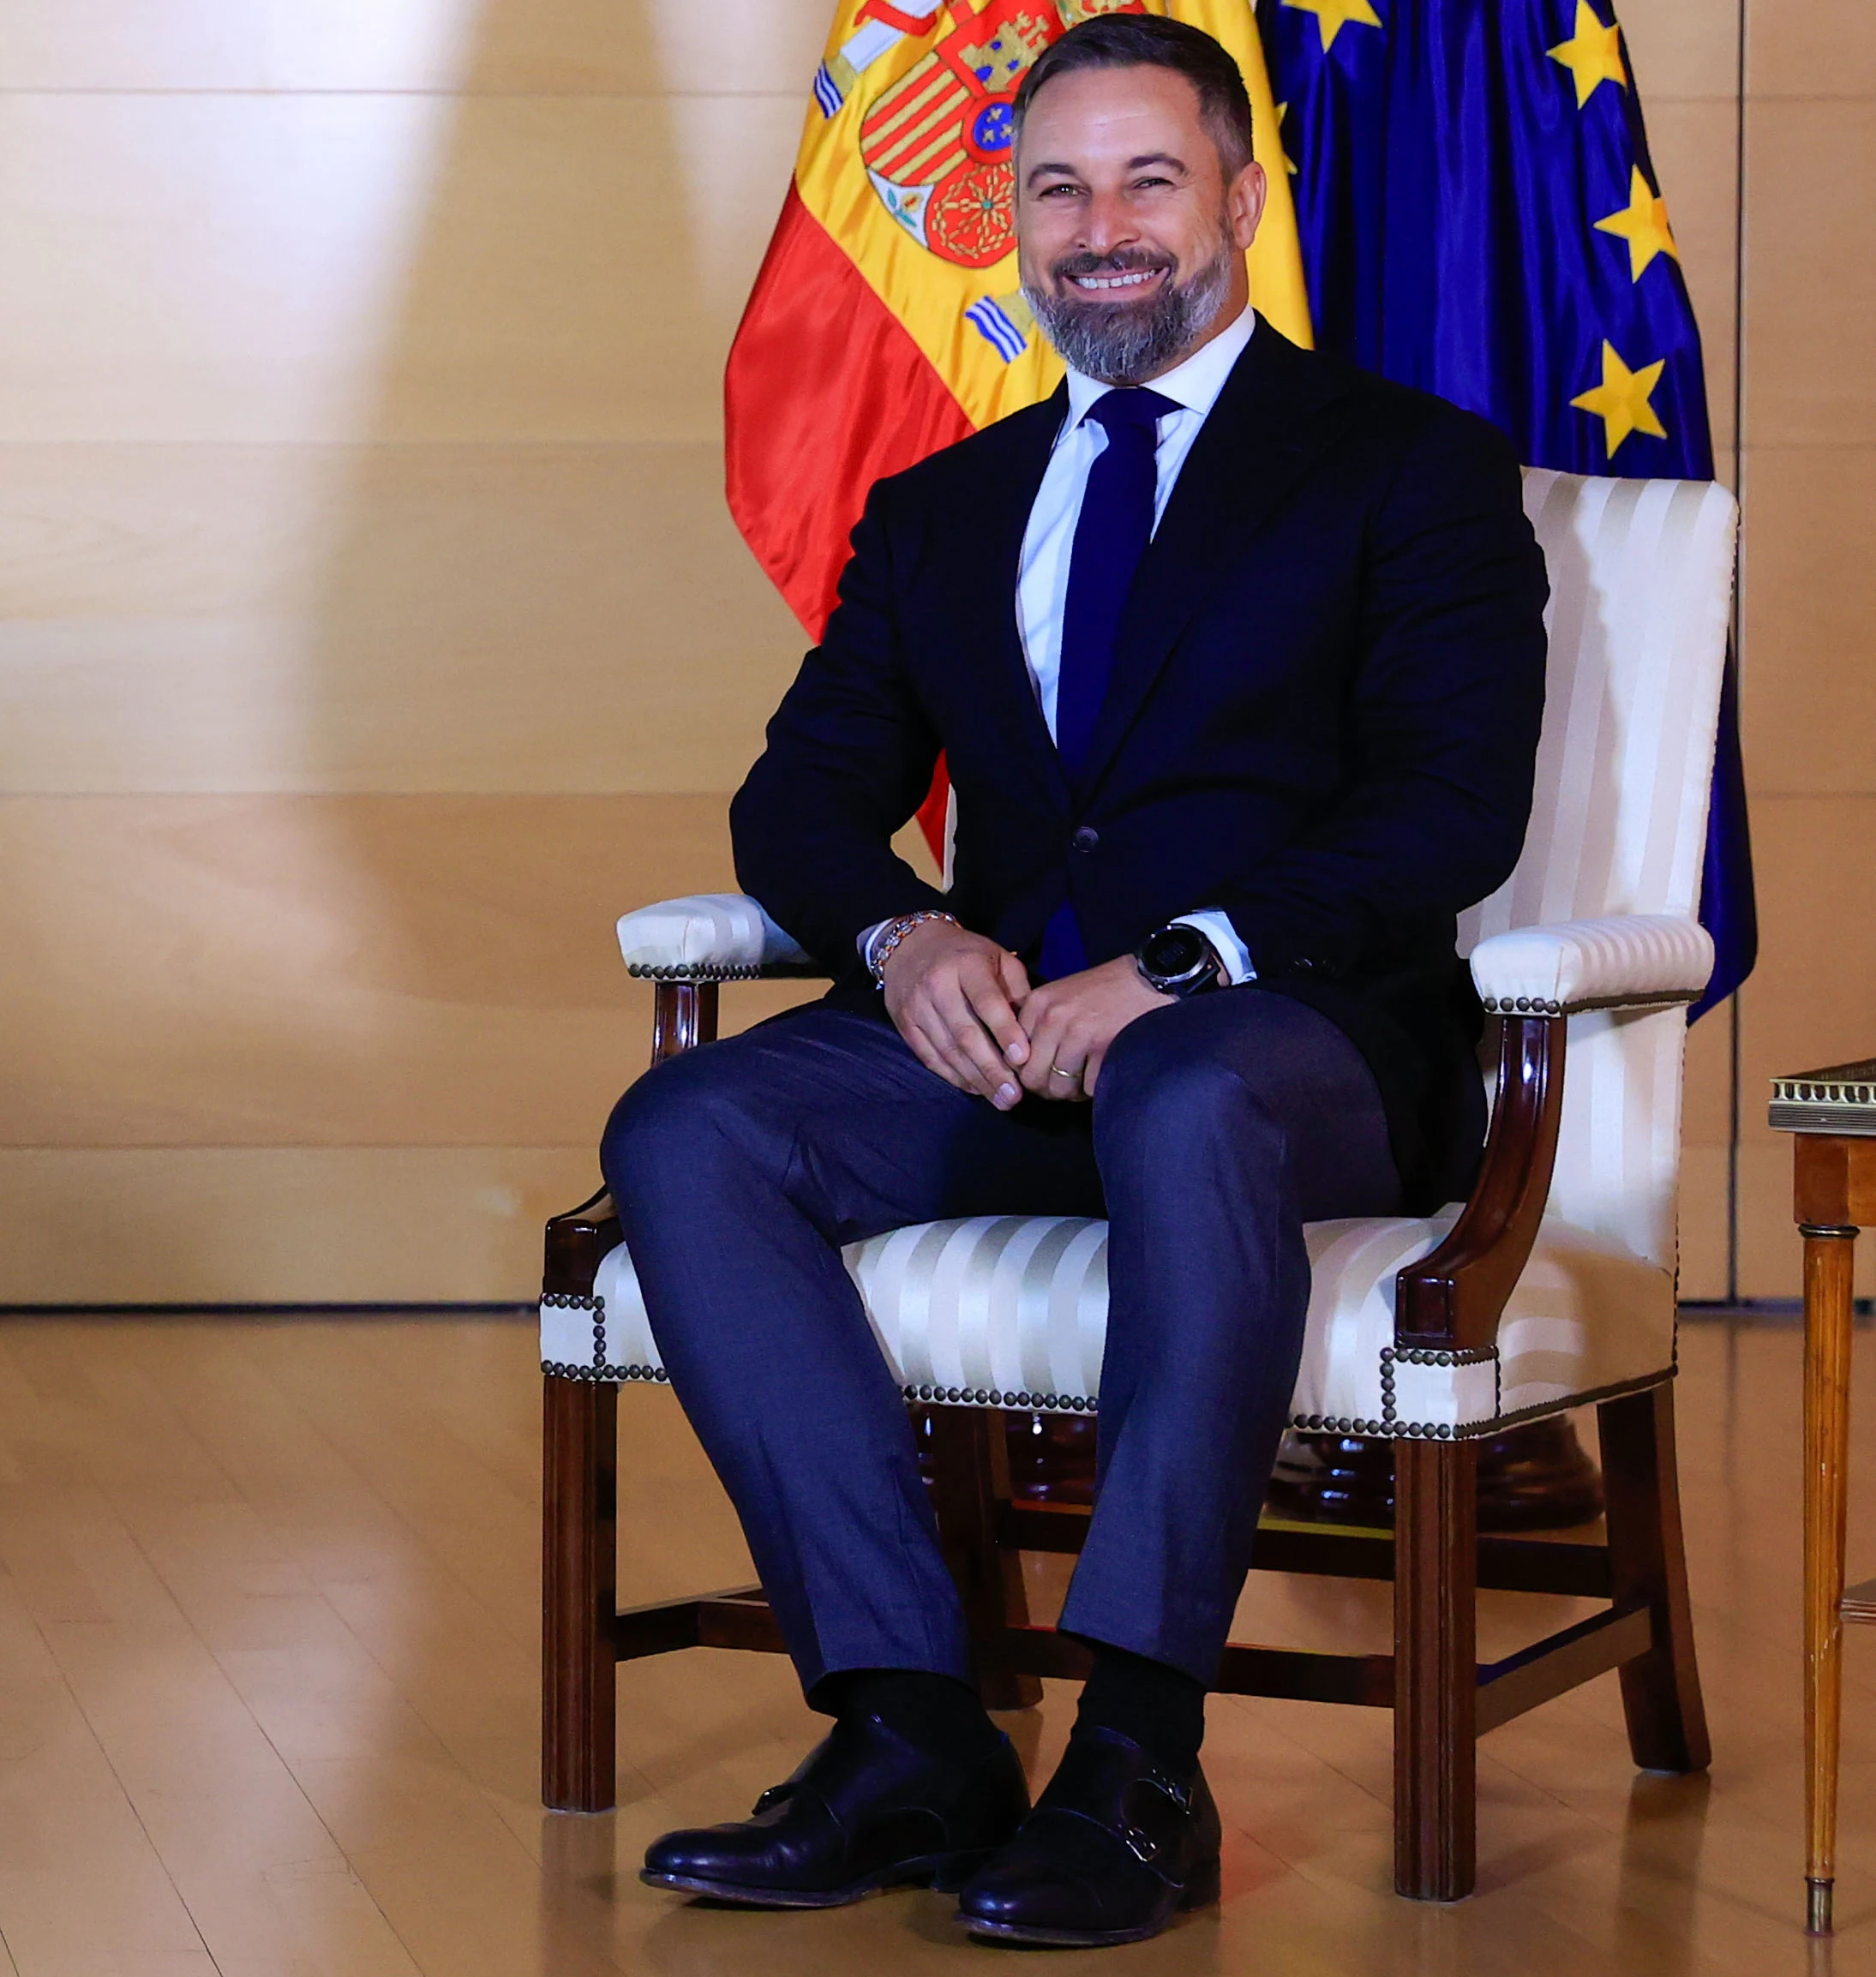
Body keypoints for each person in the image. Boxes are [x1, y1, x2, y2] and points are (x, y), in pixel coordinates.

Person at [602, 14, 1544, 1950]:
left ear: (1238, 201)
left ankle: (1133, 1753)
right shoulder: (942, 505)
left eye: (1146, 181)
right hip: (1003, 1053)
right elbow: (797, 800)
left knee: (1180, 1084)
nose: (1099, 229)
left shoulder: (1405, 469)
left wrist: (1184, 964)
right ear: (1011, 224)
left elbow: (1450, 811)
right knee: (688, 1125)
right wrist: (901, 933)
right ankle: (907, 1726)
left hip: (1295, 1054)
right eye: (1055, 189)